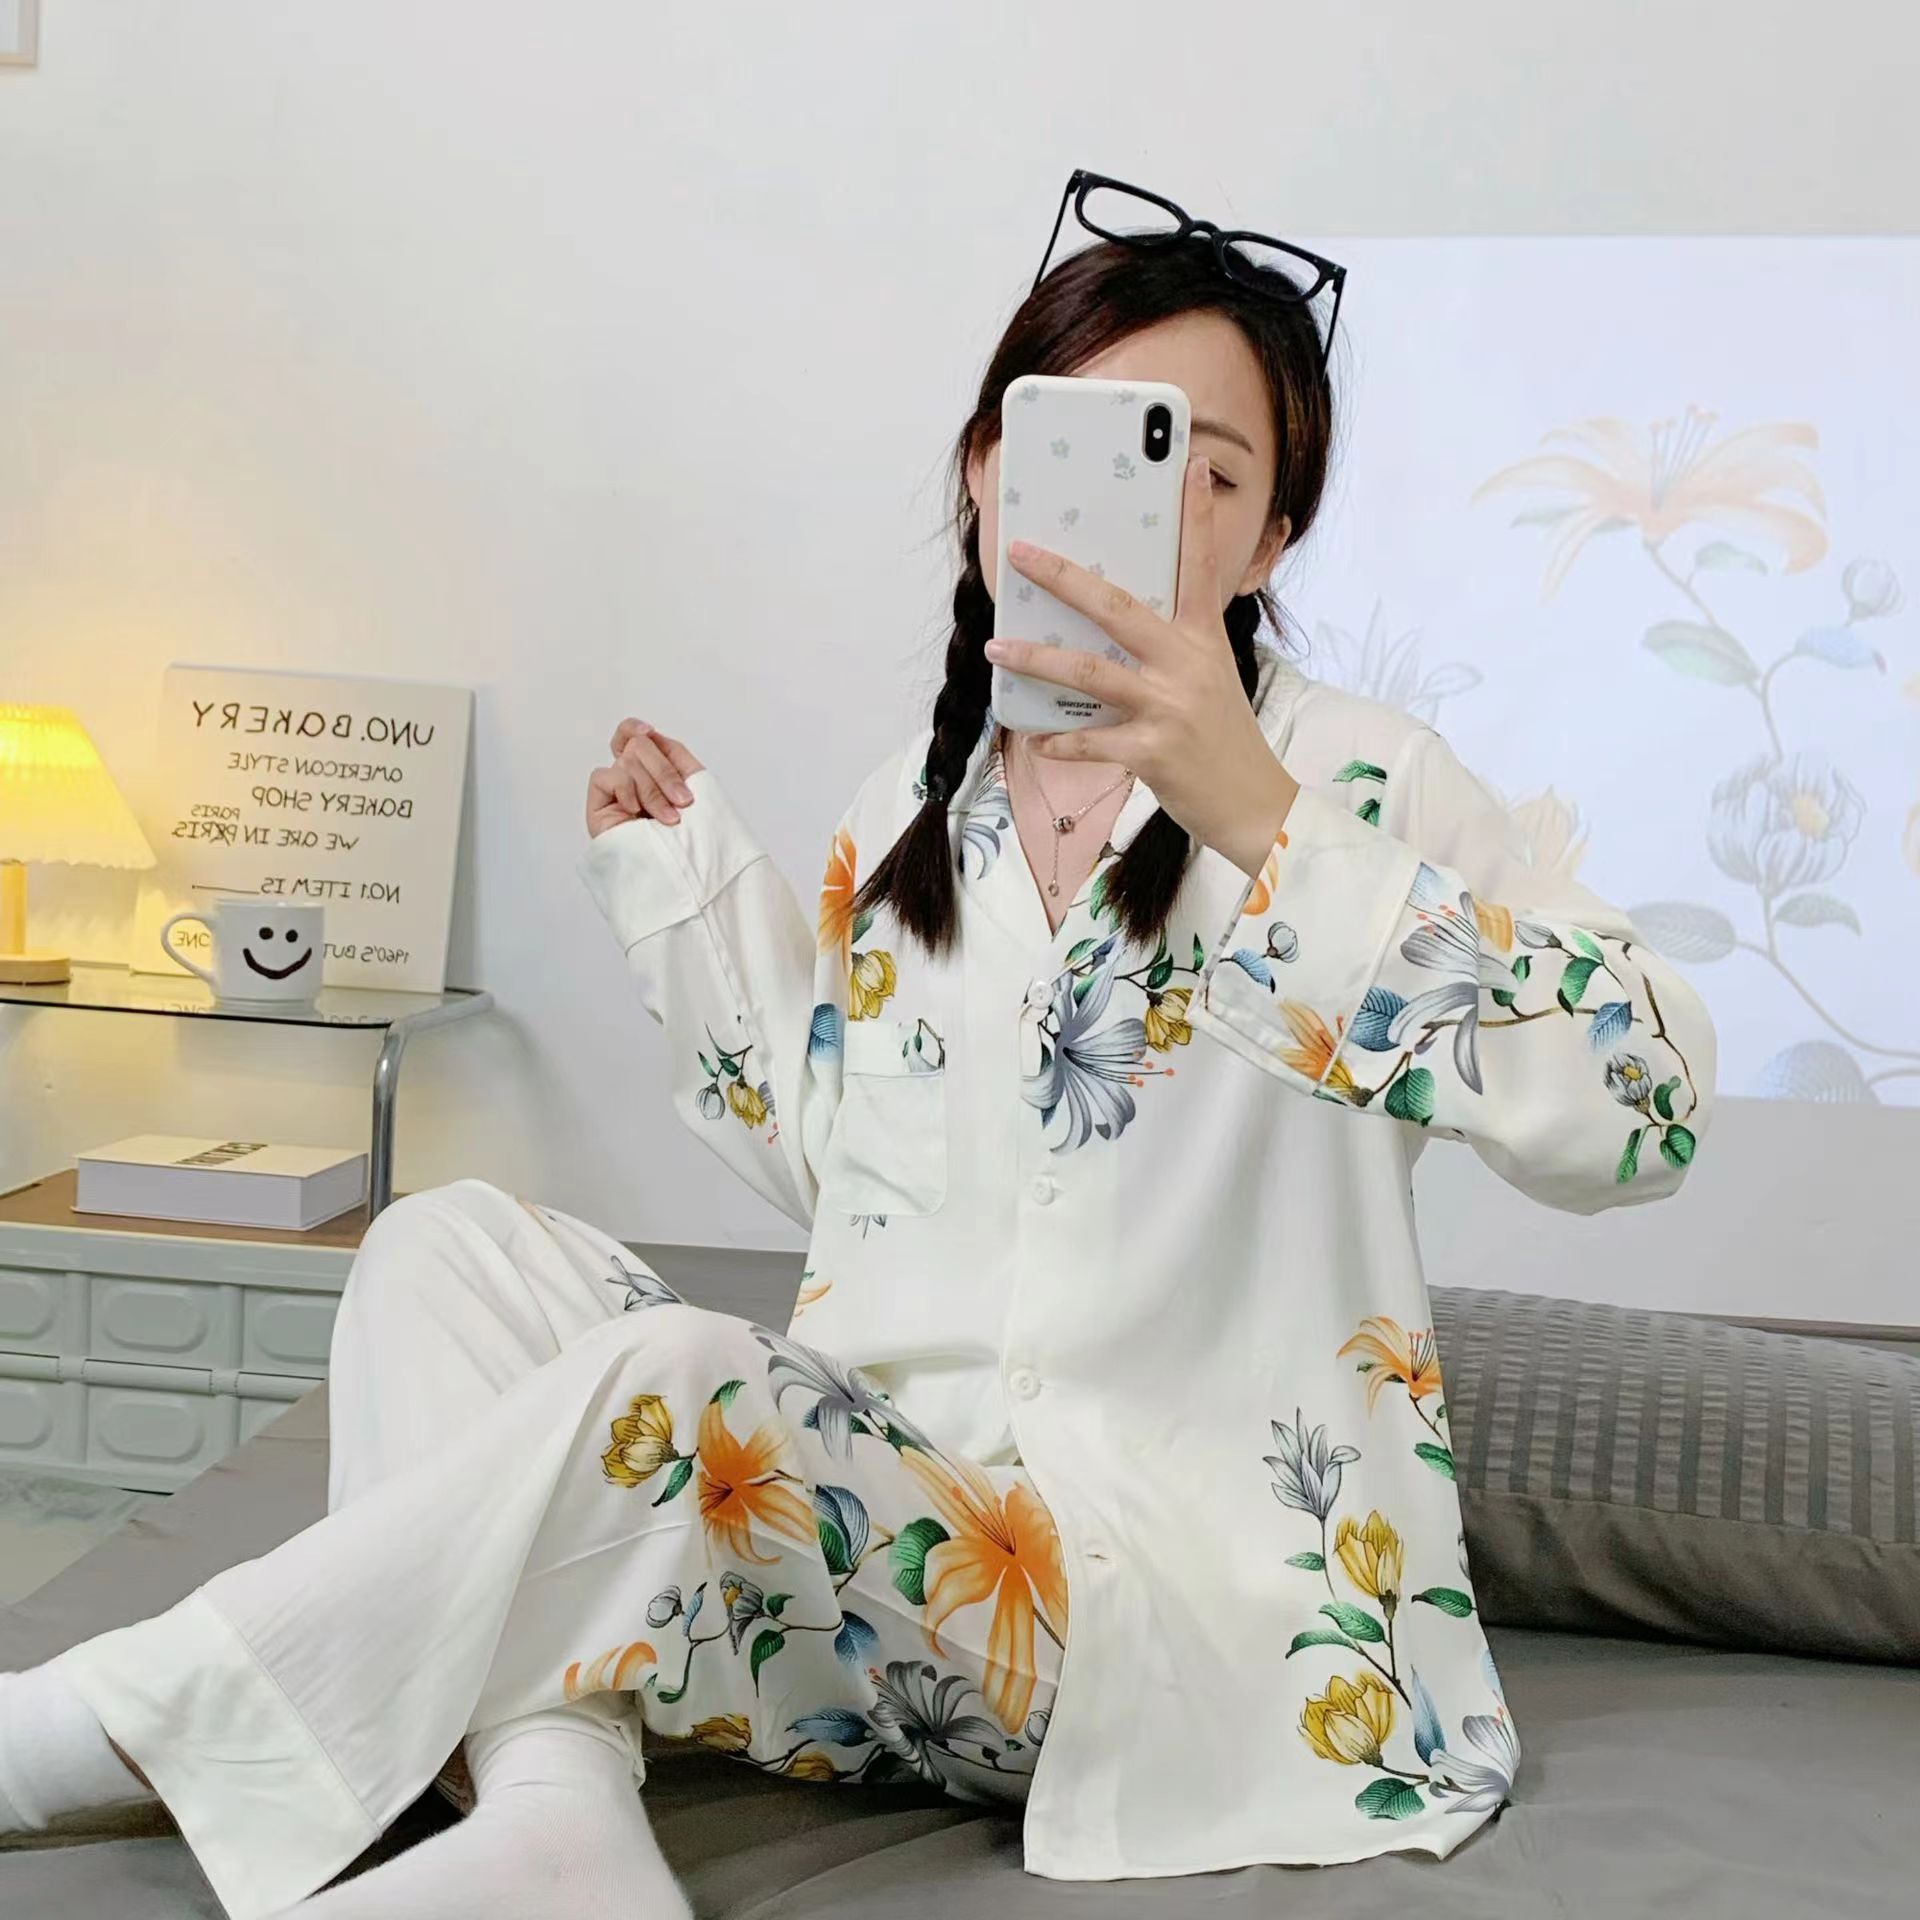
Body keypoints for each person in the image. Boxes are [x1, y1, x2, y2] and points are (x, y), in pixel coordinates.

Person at [0, 188, 1716, 1920]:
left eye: (1205, 473)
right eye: (1091, 445)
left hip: (1166, 1615)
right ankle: (555, 1807)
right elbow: (855, 1187)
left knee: (686, 1377)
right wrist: (685, 896)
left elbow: (1645, 1108)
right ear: (987, 473)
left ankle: (110, 1721)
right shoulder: (913, 809)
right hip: (896, 1553)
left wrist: (1266, 824)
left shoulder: (1361, 784)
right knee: (445, 1247)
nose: (1151, 512)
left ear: (1272, 541)